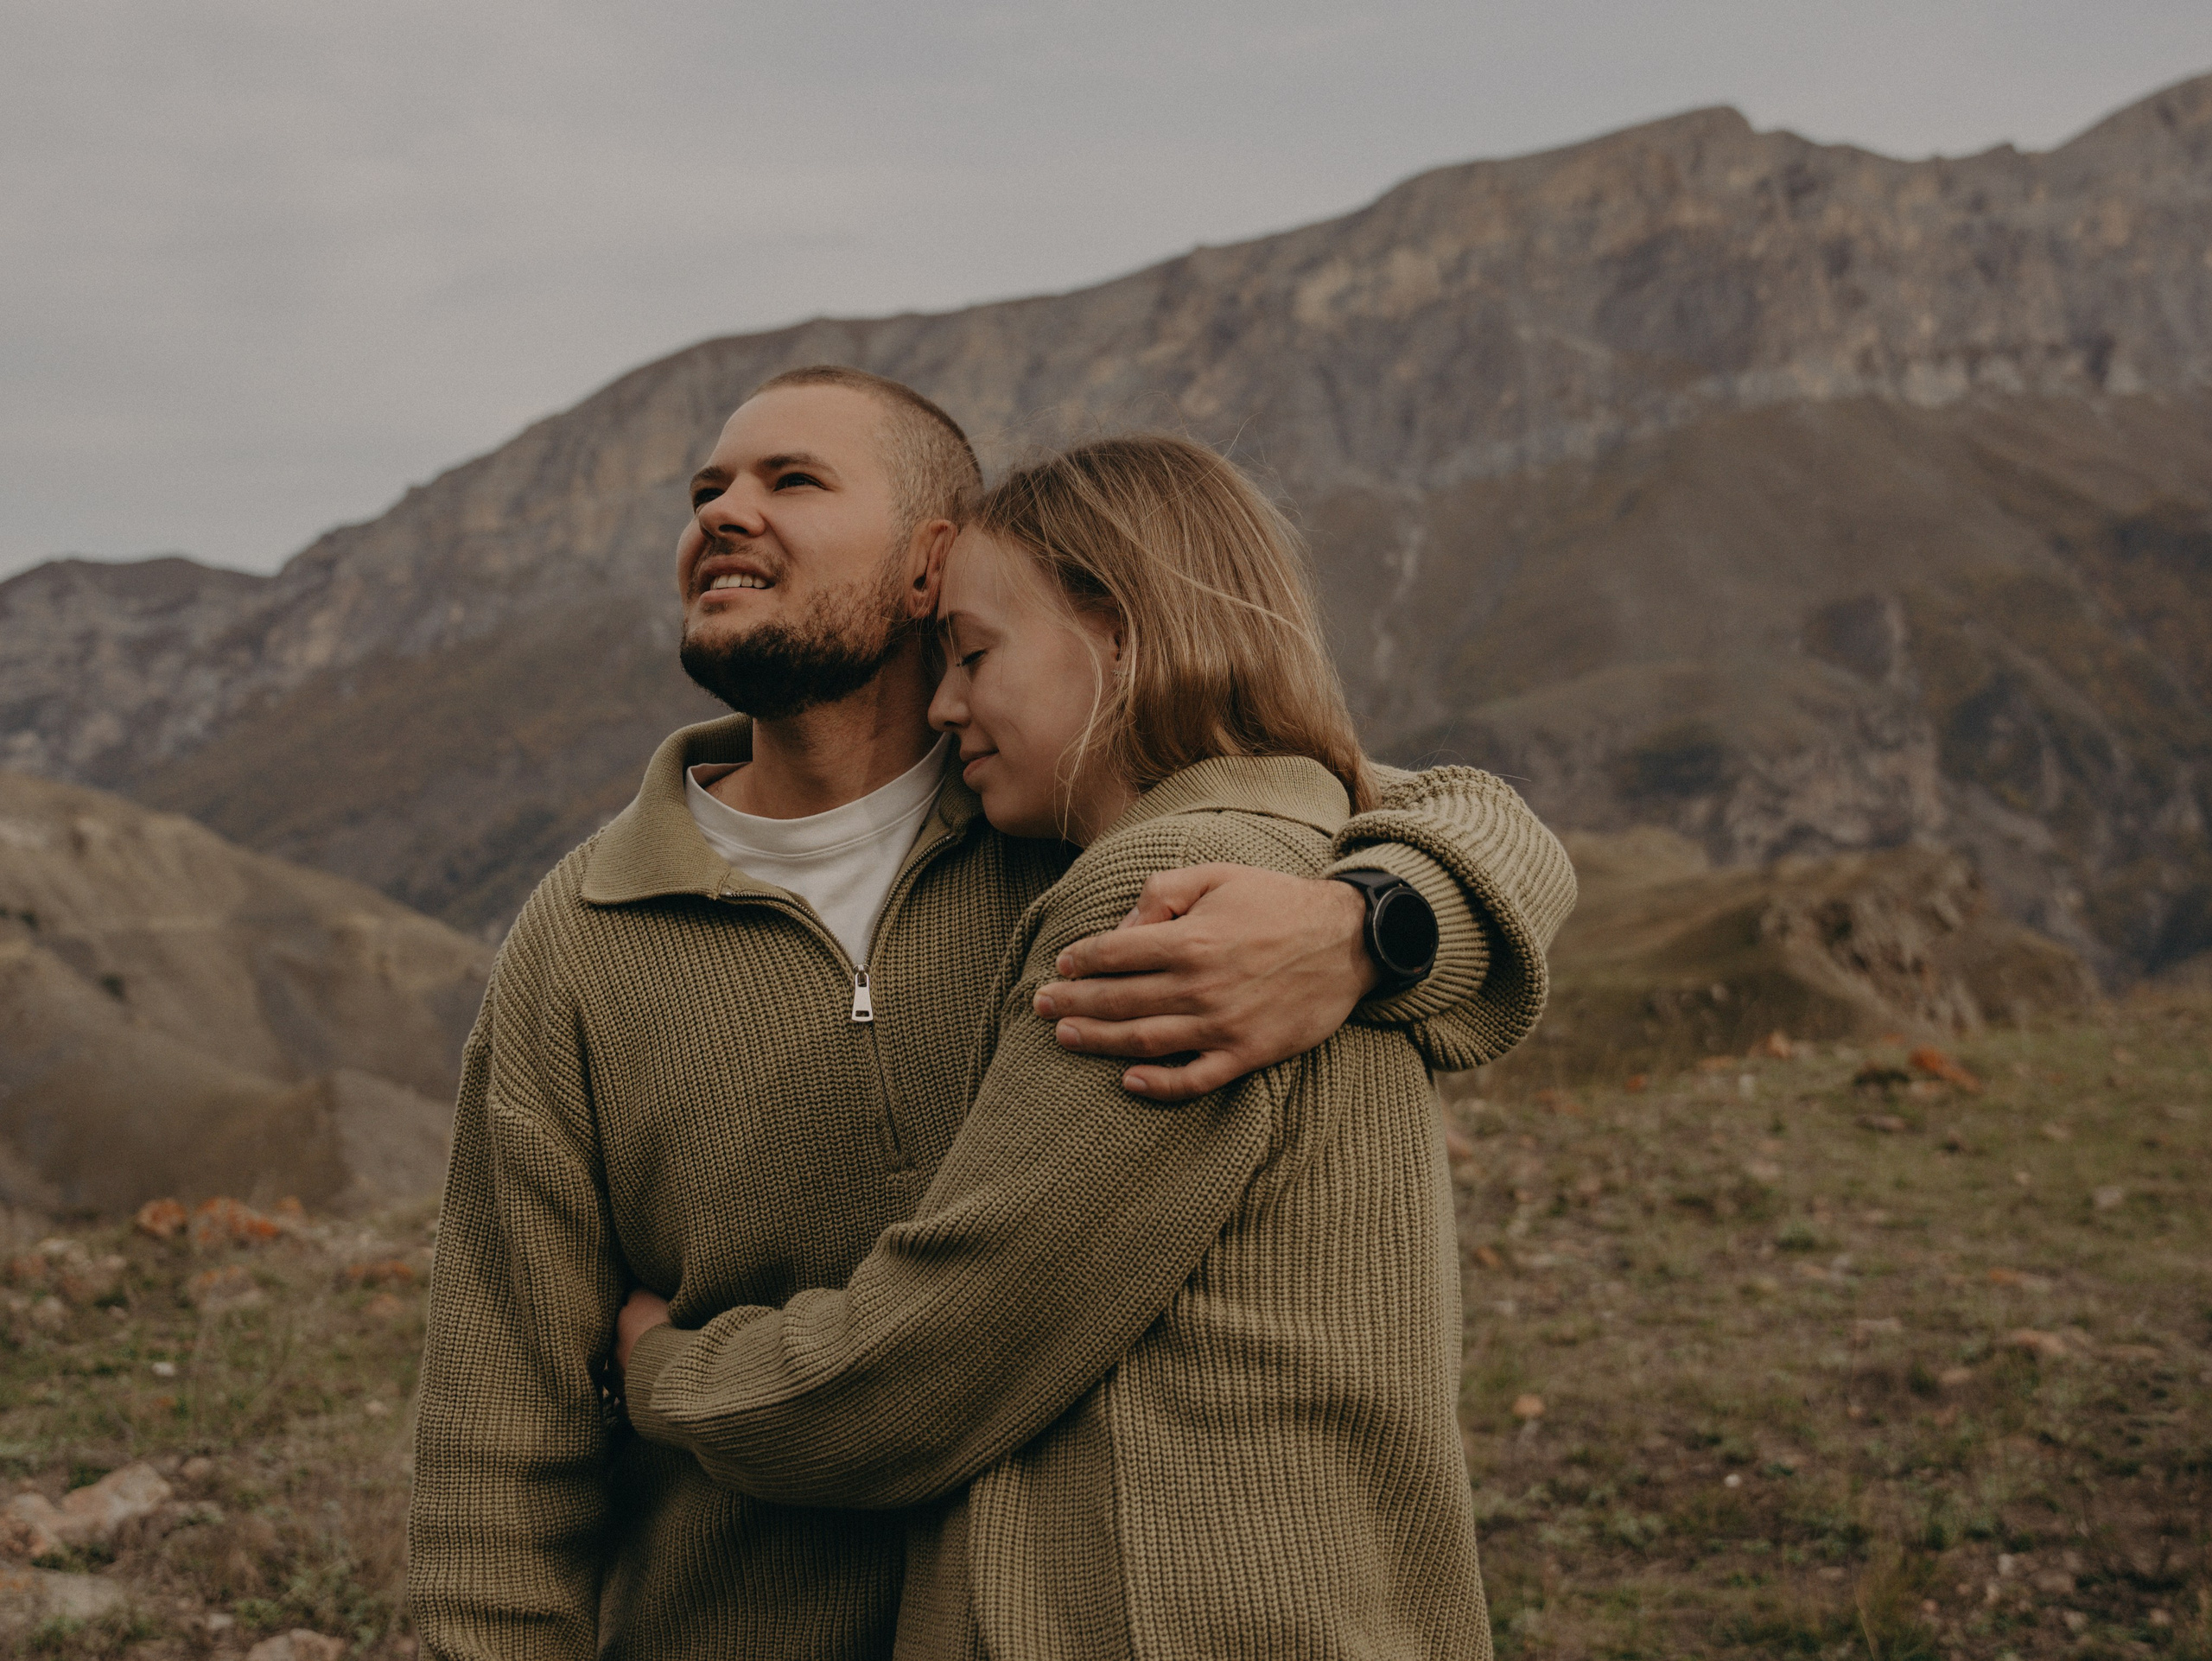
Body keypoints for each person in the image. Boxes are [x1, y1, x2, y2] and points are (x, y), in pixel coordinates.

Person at [407, 366, 1573, 1659]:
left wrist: (1365, 922)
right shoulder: (585, 930)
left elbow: (1476, 822)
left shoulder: (1094, 819)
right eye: (706, 490)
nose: (722, 512)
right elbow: (497, 1428)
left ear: (931, 564)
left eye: (793, 480)